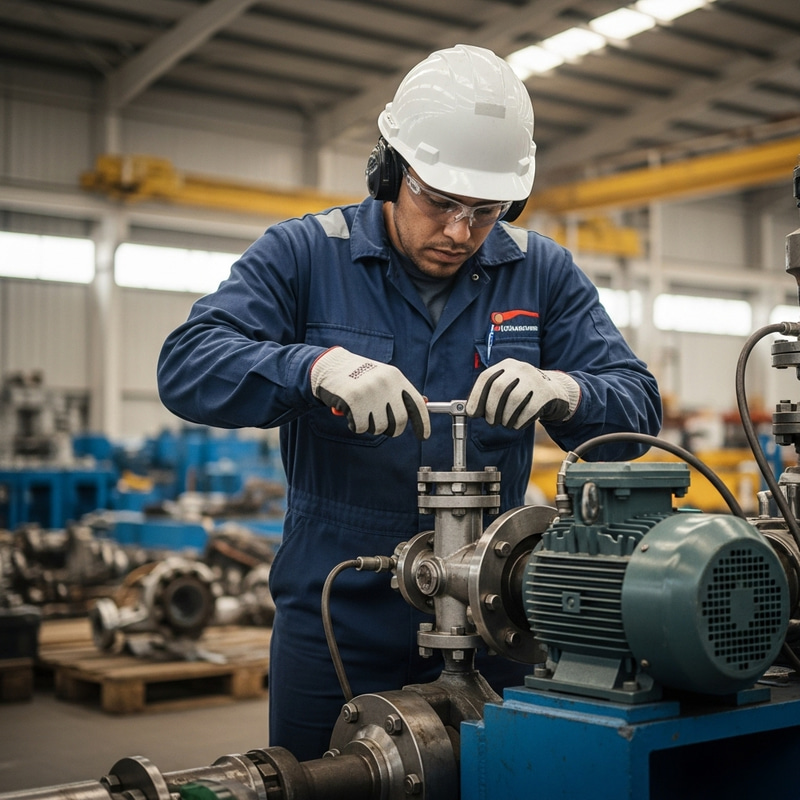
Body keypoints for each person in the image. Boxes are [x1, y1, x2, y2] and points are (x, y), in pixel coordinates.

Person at [157, 44, 662, 761]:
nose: (460, 232)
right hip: (338, 618)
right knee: (316, 781)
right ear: (390, 171)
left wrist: (568, 390)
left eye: (485, 211)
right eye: (440, 202)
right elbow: (186, 365)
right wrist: (314, 367)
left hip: (494, 617)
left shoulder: (540, 271)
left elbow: (639, 406)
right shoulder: (305, 255)